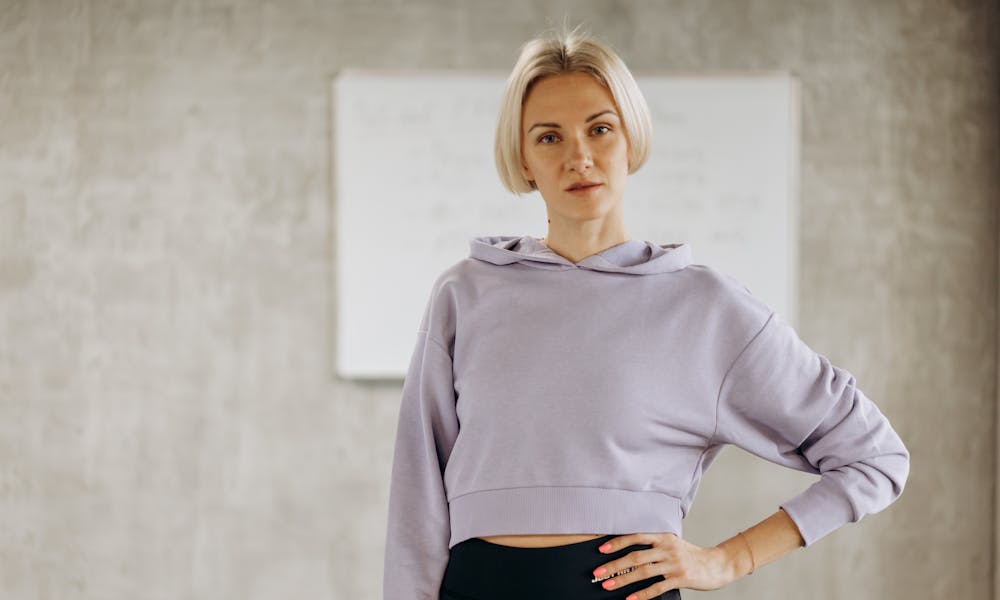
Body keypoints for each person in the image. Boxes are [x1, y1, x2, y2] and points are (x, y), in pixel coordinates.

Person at [382, 25, 910, 600]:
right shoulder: (464, 294)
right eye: (549, 137)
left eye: (600, 129)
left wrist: (732, 559)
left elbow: (874, 456)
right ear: (524, 160)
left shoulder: (706, 307)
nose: (579, 157)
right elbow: (417, 494)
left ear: (630, 141)